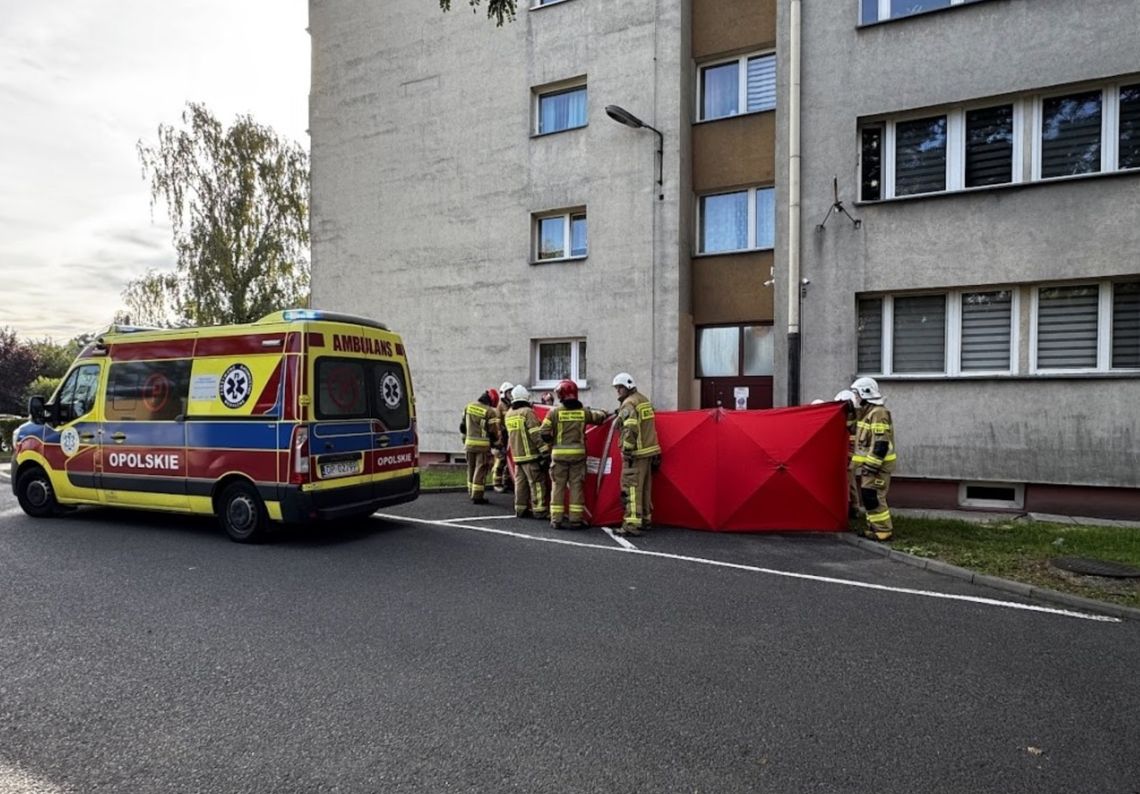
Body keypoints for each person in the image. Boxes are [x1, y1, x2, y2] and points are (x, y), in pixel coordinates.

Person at [539, 379, 608, 529]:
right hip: (578, 456)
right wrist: (604, 412)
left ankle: (556, 519)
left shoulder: (554, 412)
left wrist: (552, 442)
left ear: (562, 395)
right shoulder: (583, 412)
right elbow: (599, 418)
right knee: (576, 486)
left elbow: (543, 432)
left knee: (558, 486)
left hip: (559, 456)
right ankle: (575, 519)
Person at [612, 372, 661, 536]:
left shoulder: (629, 404)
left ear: (627, 387)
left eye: (619, 388)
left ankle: (631, 524)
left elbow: (631, 427)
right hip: (649, 452)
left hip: (636, 453)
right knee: (645, 488)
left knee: (631, 489)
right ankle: (645, 519)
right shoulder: (643, 400)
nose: (618, 391)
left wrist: (627, 450)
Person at [850, 377, 896, 541]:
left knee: (874, 496)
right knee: (869, 496)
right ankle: (875, 528)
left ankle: (884, 530)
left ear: (865, 393)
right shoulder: (868, 412)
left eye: (857, 394)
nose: (856, 398)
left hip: (877, 467)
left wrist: (872, 466)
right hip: (871, 466)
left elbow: (880, 443)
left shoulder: (878, 413)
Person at [504, 385, 549, 519]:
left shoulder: (509, 414)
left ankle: (520, 509)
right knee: (537, 483)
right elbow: (535, 434)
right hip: (531, 456)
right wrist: (545, 451)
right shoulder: (527, 412)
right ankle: (539, 510)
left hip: (518, 457)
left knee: (520, 484)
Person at [460, 388, 501, 504]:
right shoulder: (489, 412)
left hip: (469, 444)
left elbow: (462, 426)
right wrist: (496, 443)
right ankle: (477, 496)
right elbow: (493, 432)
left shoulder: (469, 407)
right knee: (480, 469)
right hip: (482, 446)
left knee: (471, 468)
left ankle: (471, 491)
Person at [833, 389, 860, 520]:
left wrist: (848, 457)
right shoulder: (846, 416)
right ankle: (852, 508)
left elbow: (853, 440)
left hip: (851, 455)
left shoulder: (855, 418)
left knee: (848, 482)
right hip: (846, 454)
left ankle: (852, 509)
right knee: (849, 482)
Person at [492, 381, 514, 493]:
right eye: (508, 393)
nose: (510, 395)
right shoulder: (501, 406)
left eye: (511, 392)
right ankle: (497, 483)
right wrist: (499, 439)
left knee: (509, 459)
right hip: (503, 436)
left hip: (510, 435)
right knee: (501, 460)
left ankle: (506, 482)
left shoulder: (512, 405)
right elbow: (497, 424)